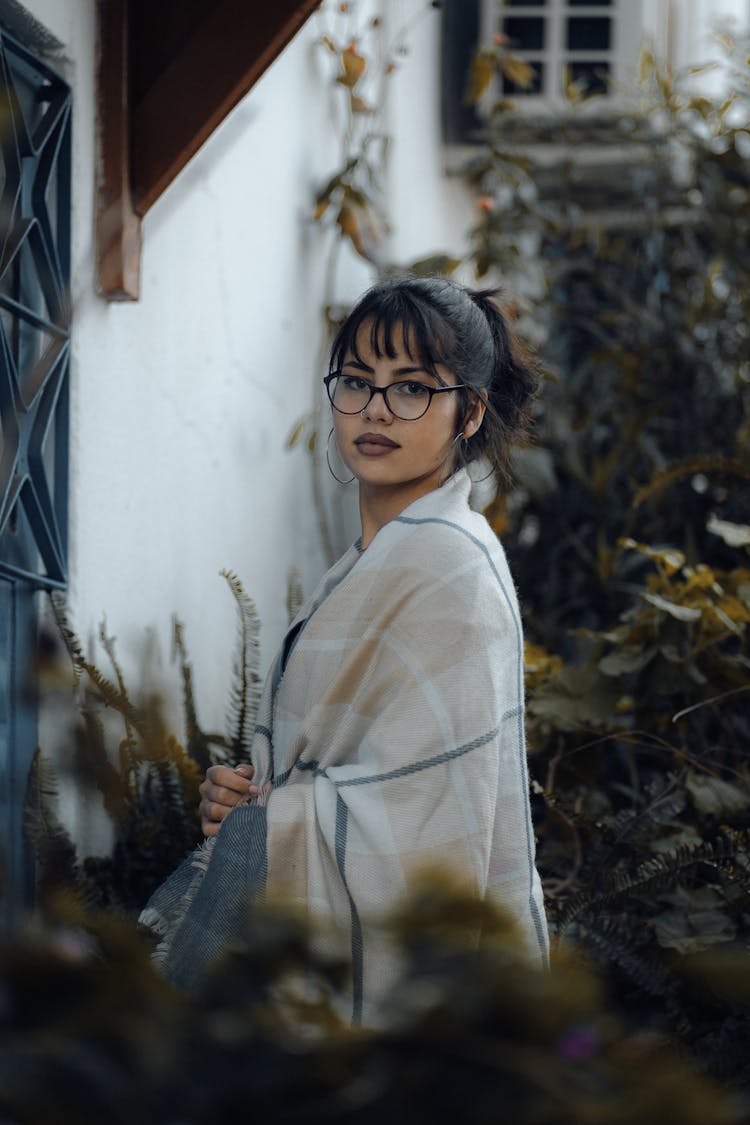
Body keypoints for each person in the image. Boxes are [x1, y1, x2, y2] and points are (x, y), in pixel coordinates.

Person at [140, 276, 549, 1023]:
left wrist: (275, 818)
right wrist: (240, 803)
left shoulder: (449, 570)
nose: (376, 409)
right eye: (357, 381)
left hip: (401, 991)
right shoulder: (367, 564)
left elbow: (431, 826)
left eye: (414, 388)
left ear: (471, 411)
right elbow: (329, 765)